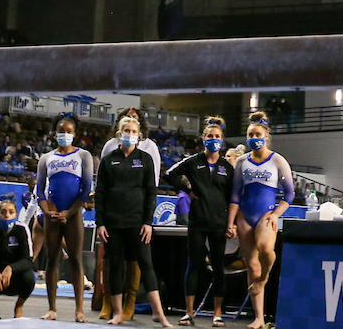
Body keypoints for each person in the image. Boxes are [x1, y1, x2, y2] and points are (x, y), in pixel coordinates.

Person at [96, 115, 172, 327]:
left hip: (137, 222)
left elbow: (151, 192)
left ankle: (159, 313)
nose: (130, 135)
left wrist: (148, 222)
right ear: (120, 134)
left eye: (133, 132)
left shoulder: (145, 159)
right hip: (113, 223)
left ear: (139, 136)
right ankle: (118, 313)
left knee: (146, 265)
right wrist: (100, 223)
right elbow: (100, 193)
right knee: (115, 266)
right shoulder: (108, 160)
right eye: (126, 131)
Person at [163, 116, 235, 326]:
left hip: (218, 223)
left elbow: (232, 197)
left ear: (222, 140)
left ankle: (217, 314)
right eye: (210, 136)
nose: (213, 139)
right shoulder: (193, 161)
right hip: (197, 222)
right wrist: (186, 190)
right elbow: (169, 174)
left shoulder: (227, 167)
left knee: (218, 267)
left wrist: (230, 223)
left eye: (217, 136)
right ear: (203, 139)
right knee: (193, 266)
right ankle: (189, 313)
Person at [227, 111, 294, 329]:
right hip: (245, 215)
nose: (254, 138)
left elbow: (289, 193)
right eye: (250, 135)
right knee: (252, 266)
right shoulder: (241, 162)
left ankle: (263, 280)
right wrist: (231, 222)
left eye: (257, 134)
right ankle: (259, 318)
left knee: (266, 249)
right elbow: (235, 194)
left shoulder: (277, 160)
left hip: (266, 214)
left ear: (266, 136)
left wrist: (275, 214)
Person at [36, 112, 94, 322]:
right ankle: (52, 308)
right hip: (52, 214)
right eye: (61, 131)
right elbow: (40, 190)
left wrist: (70, 212)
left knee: (76, 259)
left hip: (73, 214)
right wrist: (47, 211)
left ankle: (79, 310)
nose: (65, 134)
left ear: (74, 134)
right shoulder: (46, 158)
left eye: (69, 131)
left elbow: (86, 189)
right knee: (52, 259)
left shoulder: (83, 156)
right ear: (55, 133)